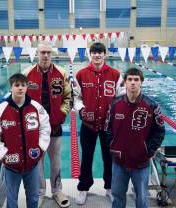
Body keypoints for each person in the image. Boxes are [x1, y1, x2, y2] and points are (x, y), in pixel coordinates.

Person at [0, 73, 51, 208]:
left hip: (32, 165)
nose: (20, 88)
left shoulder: (37, 107)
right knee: (11, 200)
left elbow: (45, 130)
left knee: (33, 199)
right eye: (17, 85)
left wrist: (41, 148)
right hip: (11, 166)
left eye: (23, 85)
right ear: (11, 88)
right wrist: (4, 154)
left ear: (27, 87)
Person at [105, 67, 165, 208]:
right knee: (117, 197)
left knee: (142, 198)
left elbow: (160, 131)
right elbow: (107, 129)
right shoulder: (115, 104)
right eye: (130, 79)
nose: (133, 83)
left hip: (141, 162)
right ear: (125, 82)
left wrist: (148, 151)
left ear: (141, 82)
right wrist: (113, 146)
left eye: (136, 80)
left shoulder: (151, 106)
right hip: (119, 162)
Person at [73, 42, 122, 205]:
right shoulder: (81, 74)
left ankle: (110, 188)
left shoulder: (115, 74)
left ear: (105, 54)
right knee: (86, 158)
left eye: (100, 52)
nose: (97, 55)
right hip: (88, 125)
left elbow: (121, 97)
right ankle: (83, 189)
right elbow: (76, 97)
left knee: (109, 158)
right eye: (94, 52)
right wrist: (80, 110)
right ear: (90, 54)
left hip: (109, 126)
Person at [23, 41, 71, 208]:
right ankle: (40, 192)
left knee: (56, 162)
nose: (45, 55)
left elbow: (68, 97)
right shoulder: (27, 73)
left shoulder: (61, 73)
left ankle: (57, 191)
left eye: (48, 53)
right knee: (38, 161)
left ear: (52, 55)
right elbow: (21, 99)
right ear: (37, 53)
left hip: (55, 126)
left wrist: (62, 114)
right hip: (34, 129)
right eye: (42, 52)